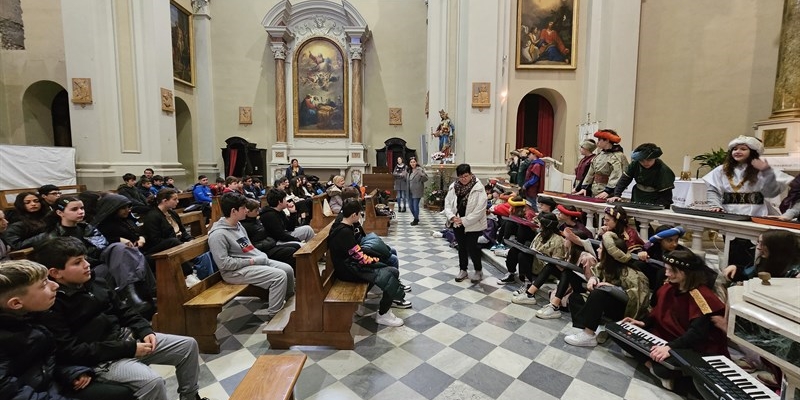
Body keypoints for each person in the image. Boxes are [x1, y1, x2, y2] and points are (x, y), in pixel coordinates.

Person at [33, 237, 208, 400]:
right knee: (152, 382)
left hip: (128, 340)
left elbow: (124, 311)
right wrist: (129, 348)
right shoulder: (52, 304)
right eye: (77, 263)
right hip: (103, 359)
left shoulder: (96, 282)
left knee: (187, 346)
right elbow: (71, 350)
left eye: (85, 259)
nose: (87, 265)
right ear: (55, 273)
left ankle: (190, 397)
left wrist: (144, 329)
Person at [0, 259, 135, 400]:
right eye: (43, 285)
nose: (55, 285)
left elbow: (43, 361)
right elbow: (10, 394)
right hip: (35, 394)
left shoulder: (30, 317)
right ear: (16, 303)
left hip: (49, 386)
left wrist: (71, 372)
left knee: (122, 394)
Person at [615, 249, 726, 392]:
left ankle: (660, 371)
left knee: (664, 367)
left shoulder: (702, 297)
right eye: (666, 269)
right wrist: (643, 323)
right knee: (619, 332)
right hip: (664, 335)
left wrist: (670, 347)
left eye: (671, 270)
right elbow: (657, 312)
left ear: (685, 272)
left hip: (691, 346)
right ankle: (653, 367)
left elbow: (697, 334)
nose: (666, 274)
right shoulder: (669, 286)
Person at [208, 192, 294, 321]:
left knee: (287, 269)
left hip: (253, 262)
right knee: (279, 276)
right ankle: (275, 317)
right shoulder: (218, 235)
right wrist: (253, 261)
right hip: (234, 272)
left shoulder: (238, 225)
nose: (247, 210)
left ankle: (289, 304)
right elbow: (224, 264)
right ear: (234, 211)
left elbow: (248, 248)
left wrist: (259, 257)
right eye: (243, 208)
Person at [328, 199, 410, 327]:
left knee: (386, 267)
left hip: (349, 265)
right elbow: (359, 257)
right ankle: (383, 314)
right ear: (354, 215)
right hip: (348, 271)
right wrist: (376, 260)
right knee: (392, 272)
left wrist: (375, 260)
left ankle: (377, 306)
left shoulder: (343, 226)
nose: (361, 216)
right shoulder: (344, 232)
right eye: (359, 214)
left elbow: (356, 253)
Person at [564, 232, 651, 347]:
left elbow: (639, 300)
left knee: (599, 294)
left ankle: (588, 334)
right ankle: (594, 329)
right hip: (609, 304)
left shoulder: (633, 275)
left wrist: (613, 288)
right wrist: (593, 279)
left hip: (627, 311)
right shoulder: (604, 266)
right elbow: (597, 274)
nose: (598, 250)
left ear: (609, 254)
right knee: (576, 297)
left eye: (600, 248)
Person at [703, 135, 788, 216]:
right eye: (735, 149)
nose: (737, 151)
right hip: (728, 212)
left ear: (752, 153)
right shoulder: (721, 170)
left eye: (743, 149)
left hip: (756, 213)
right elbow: (713, 190)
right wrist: (715, 206)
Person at [444, 164, 487, 283]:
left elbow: (480, 209)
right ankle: (463, 270)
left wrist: (464, 220)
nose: (463, 179)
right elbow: (447, 203)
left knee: (471, 247)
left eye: (466, 176)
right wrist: (452, 217)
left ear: (470, 174)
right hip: (457, 222)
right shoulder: (454, 187)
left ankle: (478, 270)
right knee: (461, 247)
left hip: (473, 223)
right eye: (461, 177)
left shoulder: (478, 188)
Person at [511, 212, 566, 305]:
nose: (538, 225)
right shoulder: (540, 235)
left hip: (548, 268)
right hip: (537, 263)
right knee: (521, 254)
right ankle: (527, 282)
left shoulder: (558, 240)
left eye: (540, 223)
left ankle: (530, 289)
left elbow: (558, 260)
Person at [608, 143, 675, 207]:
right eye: (642, 160)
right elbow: (624, 180)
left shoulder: (664, 170)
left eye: (649, 160)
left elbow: (666, 195)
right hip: (638, 196)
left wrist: (657, 207)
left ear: (655, 158)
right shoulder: (635, 164)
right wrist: (617, 195)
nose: (645, 163)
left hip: (656, 198)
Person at [240, 198, 299, 269]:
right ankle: (294, 274)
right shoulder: (244, 226)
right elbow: (252, 246)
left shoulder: (256, 221)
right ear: (248, 212)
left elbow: (267, 234)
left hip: (270, 245)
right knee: (290, 251)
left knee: (296, 246)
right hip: (263, 251)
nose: (258, 212)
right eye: (256, 210)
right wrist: (270, 242)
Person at [723, 229, 800, 282]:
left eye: (762, 244)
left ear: (777, 247)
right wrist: (735, 269)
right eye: (758, 243)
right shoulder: (767, 261)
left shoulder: (795, 271)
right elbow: (747, 274)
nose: (758, 247)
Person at [574, 130, 629, 199]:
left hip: (607, 192)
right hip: (594, 189)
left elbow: (617, 175)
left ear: (607, 141)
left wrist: (608, 191)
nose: (598, 142)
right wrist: (585, 187)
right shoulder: (599, 155)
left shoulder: (618, 156)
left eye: (600, 140)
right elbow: (591, 172)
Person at [496, 196, 537, 285]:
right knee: (512, 252)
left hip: (530, 240)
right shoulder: (518, 213)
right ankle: (511, 273)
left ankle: (526, 282)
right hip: (521, 239)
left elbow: (535, 229)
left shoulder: (529, 213)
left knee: (522, 255)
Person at [142, 188, 192, 255]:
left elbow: (183, 231)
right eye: (174, 199)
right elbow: (156, 240)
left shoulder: (172, 213)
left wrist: (190, 240)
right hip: (162, 248)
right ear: (165, 201)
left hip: (177, 242)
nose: (178, 201)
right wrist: (181, 243)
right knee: (174, 241)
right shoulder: (152, 216)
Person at [407, 157, 428, 226]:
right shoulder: (409, 170)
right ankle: (416, 217)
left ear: (416, 162)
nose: (412, 163)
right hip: (409, 190)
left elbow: (426, 178)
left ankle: (416, 219)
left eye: (414, 162)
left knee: (415, 205)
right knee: (410, 206)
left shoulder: (419, 169)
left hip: (417, 190)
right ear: (409, 163)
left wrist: (421, 175)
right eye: (411, 162)